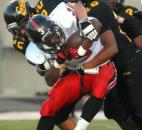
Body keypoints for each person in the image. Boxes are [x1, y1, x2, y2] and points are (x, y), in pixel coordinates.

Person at [3, 0, 102, 130]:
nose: (21, 32)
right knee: (54, 111)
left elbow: (78, 5)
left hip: (94, 50)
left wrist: (84, 22)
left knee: (119, 107)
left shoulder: (49, 6)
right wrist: (55, 61)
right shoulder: (21, 42)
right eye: (17, 30)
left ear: (29, 15)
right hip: (70, 65)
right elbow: (43, 69)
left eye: (22, 26)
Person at [25, 3, 118, 128]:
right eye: (49, 40)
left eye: (54, 33)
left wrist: (84, 26)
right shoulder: (38, 52)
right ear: (41, 45)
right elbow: (49, 80)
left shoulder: (64, 19)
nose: (55, 39)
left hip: (99, 66)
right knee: (50, 106)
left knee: (100, 87)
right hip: (77, 73)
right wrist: (58, 61)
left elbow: (96, 23)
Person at [81, 0, 142, 129]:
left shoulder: (99, 7)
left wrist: (85, 67)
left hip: (128, 61)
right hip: (113, 67)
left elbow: (113, 48)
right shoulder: (79, 9)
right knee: (115, 110)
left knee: (137, 110)